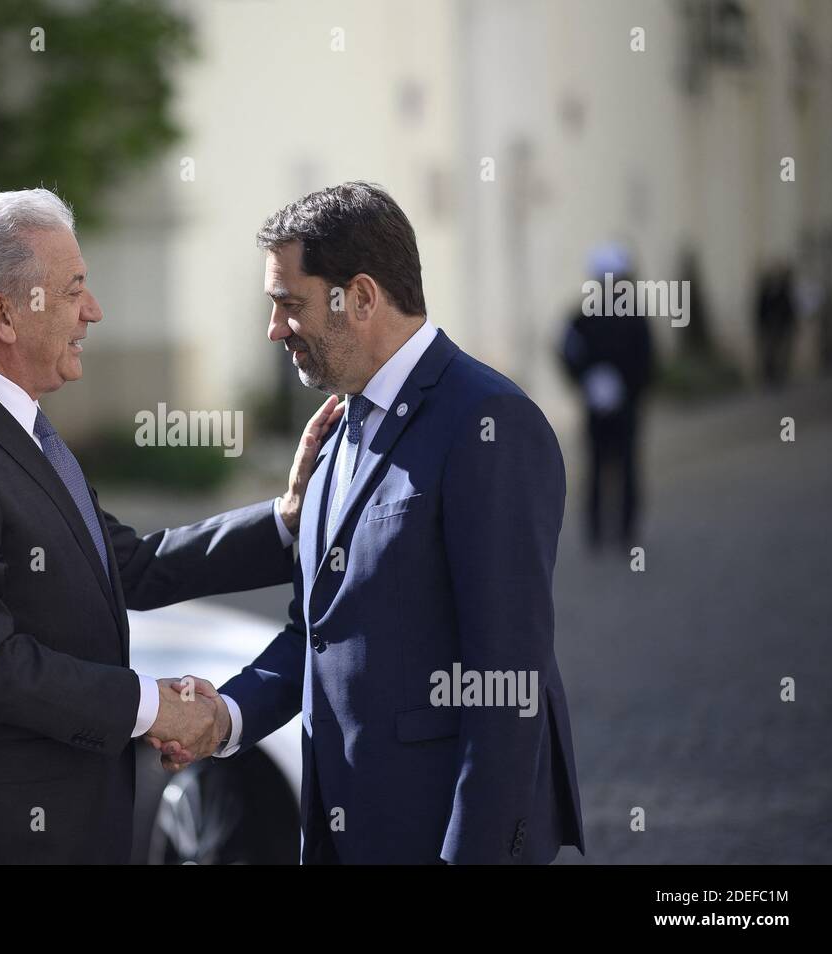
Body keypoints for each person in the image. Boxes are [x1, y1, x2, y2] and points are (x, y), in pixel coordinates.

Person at [0, 188, 339, 863]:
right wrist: (151, 707)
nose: (94, 311)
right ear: (3, 315)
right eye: (75, 288)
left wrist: (284, 521)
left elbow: (123, 563)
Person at [162, 182, 584, 864]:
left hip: (439, 834)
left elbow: (508, 684)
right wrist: (226, 718)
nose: (275, 330)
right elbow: (317, 635)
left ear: (360, 297)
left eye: (288, 305)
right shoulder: (335, 426)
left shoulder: (488, 422)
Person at [560, 244, 654, 549]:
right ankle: (607, 532)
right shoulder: (585, 317)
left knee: (617, 467)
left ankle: (613, 532)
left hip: (618, 406)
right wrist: (587, 382)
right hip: (606, 407)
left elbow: (646, 359)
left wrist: (624, 389)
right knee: (606, 467)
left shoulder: (592, 316)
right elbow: (567, 351)